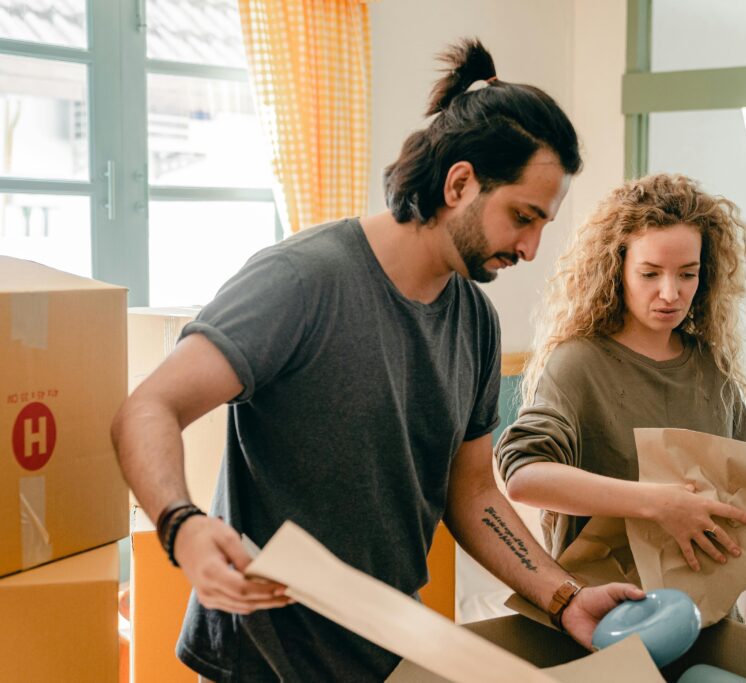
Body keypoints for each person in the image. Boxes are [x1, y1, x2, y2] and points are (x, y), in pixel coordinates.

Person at [111, 39, 642, 683]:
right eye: (522, 217)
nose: (531, 248)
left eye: (541, 226)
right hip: (262, 663)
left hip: (386, 652)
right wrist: (182, 527)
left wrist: (564, 597)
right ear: (459, 183)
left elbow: (471, 492)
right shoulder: (302, 283)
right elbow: (149, 408)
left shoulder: (475, 321)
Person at [495, 173, 746, 574]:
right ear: (617, 270)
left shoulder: (710, 366)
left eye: (687, 274)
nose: (670, 293)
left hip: (709, 606)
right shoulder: (579, 363)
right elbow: (524, 476)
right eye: (650, 273)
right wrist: (658, 504)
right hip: (609, 613)